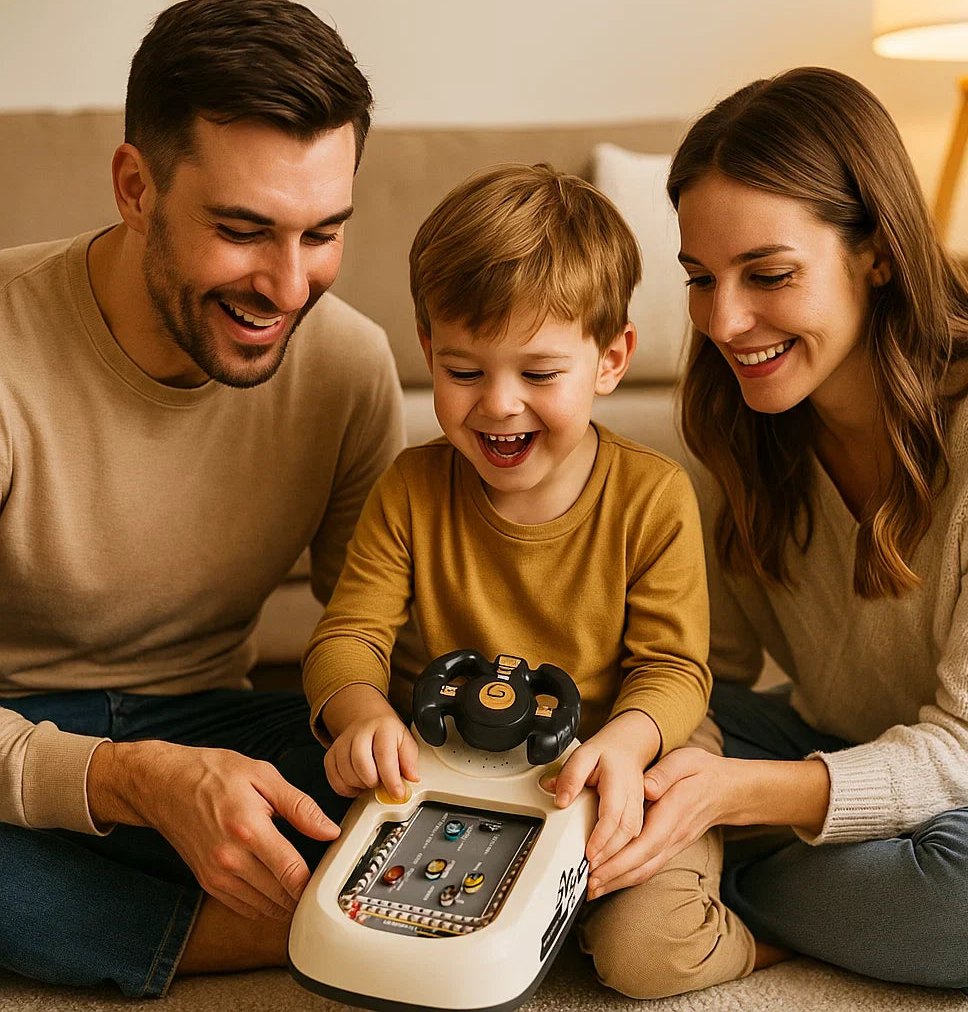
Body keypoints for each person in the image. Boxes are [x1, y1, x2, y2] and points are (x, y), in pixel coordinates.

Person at [0, 0, 405, 997]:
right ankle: (285, 929)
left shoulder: (351, 365)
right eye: (242, 230)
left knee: (425, 794)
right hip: (16, 736)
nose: (287, 287)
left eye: (321, 234)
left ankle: (206, 907)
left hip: (222, 725)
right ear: (136, 186)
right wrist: (129, 779)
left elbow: (374, 632)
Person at [587, 66, 968, 999]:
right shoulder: (734, 423)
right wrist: (660, 766)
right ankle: (758, 899)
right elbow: (707, 669)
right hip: (826, 738)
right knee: (618, 735)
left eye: (769, 275)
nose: (725, 321)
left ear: (877, 252)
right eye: (701, 279)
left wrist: (726, 798)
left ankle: (716, 900)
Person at [302, 161, 756, 996]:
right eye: (464, 372)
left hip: (626, 749)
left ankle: (758, 925)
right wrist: (358, 713)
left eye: (539, 374)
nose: (499, 405)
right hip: (449, 763)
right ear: (428, 350)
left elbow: (675, 670)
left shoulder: (653, 495)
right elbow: (348, 634)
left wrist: (627, 744)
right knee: (345, 905)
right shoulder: (410, 486)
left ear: (612, 358)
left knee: (646, 955)